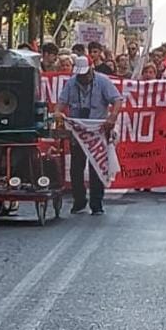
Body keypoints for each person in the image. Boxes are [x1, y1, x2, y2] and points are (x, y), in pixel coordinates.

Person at [56, 56, 123, 216]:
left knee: (97, 167)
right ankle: (79, 201)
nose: (82, 78)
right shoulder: (72, 83)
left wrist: (112, 117)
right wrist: (58, 112)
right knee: (76, 168)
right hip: (78, 131)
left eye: (85, 74)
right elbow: (61, 102)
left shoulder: (103, 81)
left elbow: (117, 100)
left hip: (98, 130)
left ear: (91, 69)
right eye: (79, 75)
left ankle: (96, 203)